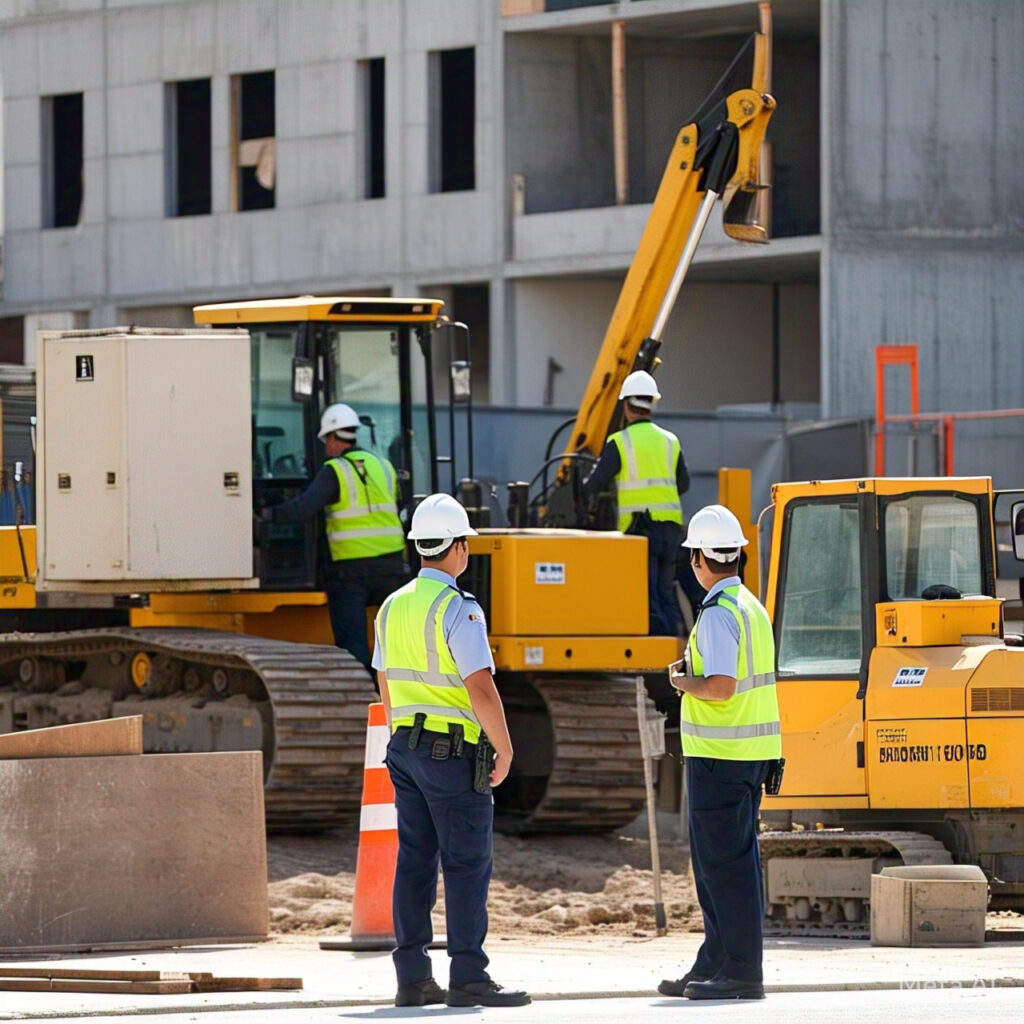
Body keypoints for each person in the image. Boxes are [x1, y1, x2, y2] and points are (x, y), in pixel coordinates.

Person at [372, 493, 531, 1010]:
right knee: (466, 864)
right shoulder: (459, 609)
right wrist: (504, 748)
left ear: (419, 546)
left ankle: (413, 978)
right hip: (451, 754)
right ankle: (468, 976)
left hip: (404, 748)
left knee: (414, 862)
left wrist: (399, 738)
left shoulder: (392, 606)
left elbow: (385, 682)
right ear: (459, 547)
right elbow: (480, 687)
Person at [658, 503, 781, 1001]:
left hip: (720, 757)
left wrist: (681, 681)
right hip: (750, 754)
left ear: (698, 559)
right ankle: (715, 961)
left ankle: (742, 971)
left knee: (722, 869)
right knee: (729, 865)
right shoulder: (751, 607)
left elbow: (721, 687)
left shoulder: (716, 613)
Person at [269, 402, 407, 677]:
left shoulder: (335, 470)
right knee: (395, 641)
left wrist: (268, 516)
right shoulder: (384, 466)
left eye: (326, 441)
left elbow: (304, 507)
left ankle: (363, 692)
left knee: (353, 645)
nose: (326, 448)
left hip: (351, 572)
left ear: (333, 438)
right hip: (392, 568)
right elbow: (396, 505)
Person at [582, 369, 689, 636]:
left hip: (641, 530)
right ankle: (677, 648)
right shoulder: (671, 441)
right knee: (667, 593)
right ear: (652, 404)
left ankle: (658, 654)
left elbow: (593, 485)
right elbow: (683, 484)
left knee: (648, 596)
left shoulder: (620, 442)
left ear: (626, 406)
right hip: (672, 529)